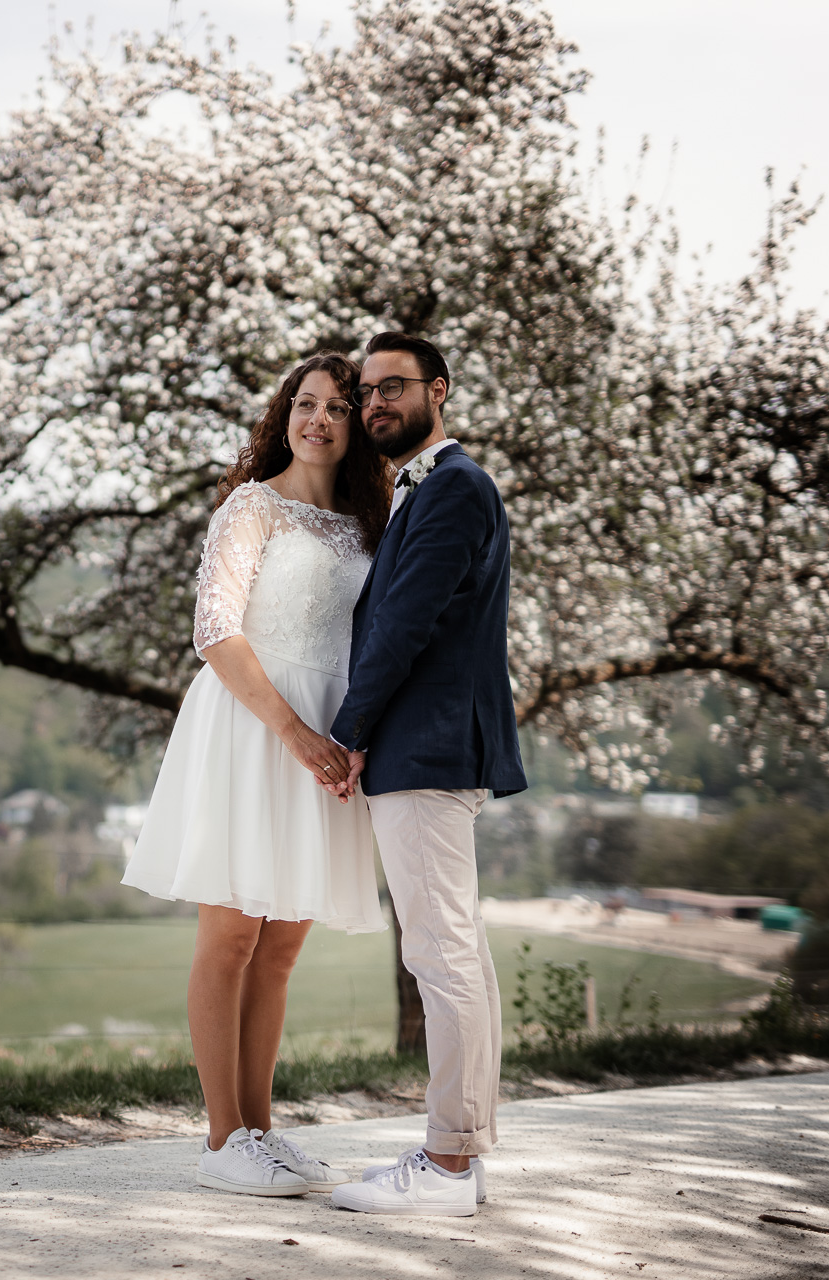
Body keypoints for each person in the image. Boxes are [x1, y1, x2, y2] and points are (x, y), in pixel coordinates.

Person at [123, 351, 391, 1197]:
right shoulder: (253, 506)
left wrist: (347, 736)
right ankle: (219, 1140)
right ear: (285, 414)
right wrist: (294, 732)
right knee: (231, 937)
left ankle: (262, 1133)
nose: (319, 420)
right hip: (251, 726)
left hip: (327, 736)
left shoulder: (364, 524)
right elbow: (216, 631)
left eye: (338, 408)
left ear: (357, 426)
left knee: (279, 951)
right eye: (306, 403)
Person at [326, 332, 528, 1217]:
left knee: (439, 953)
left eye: (393, 387)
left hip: (425, 748)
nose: (375, 404)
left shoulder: (453, 488)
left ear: (438, 391)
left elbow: (402, 624)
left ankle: (446, 1165)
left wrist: (346, 734)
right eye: (366, 390)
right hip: (436, 748)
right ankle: (462, 1147)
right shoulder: (430, 490)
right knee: (457, 952)